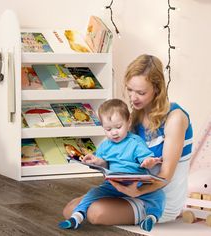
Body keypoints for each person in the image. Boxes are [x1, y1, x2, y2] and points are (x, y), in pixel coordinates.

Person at [62, 54, 193, 226]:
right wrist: (100, 163)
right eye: (130, 90)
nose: (133, 98)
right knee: (70, 208)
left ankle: (153, 214)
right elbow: (121, 159)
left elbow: (165, 175)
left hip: (158, 197)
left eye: (141, 92)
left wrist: (137, 192)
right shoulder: (134, 117)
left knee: (95, 213)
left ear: (157, 89)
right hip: (132, 188)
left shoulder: (175, 118)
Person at [59, 99, 165, 231]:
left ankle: (151, 217)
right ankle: (77, 216)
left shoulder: (135, 142)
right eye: (108, 129)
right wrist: (95, 161)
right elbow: (103, 162)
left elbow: (146, 159)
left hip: (136, 185)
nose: (114, 132)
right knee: (93, 193)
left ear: (128, 122)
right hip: (113, 185)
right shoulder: (105, 145)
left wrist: (149, 161)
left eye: (118, 127)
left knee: (158, 195)